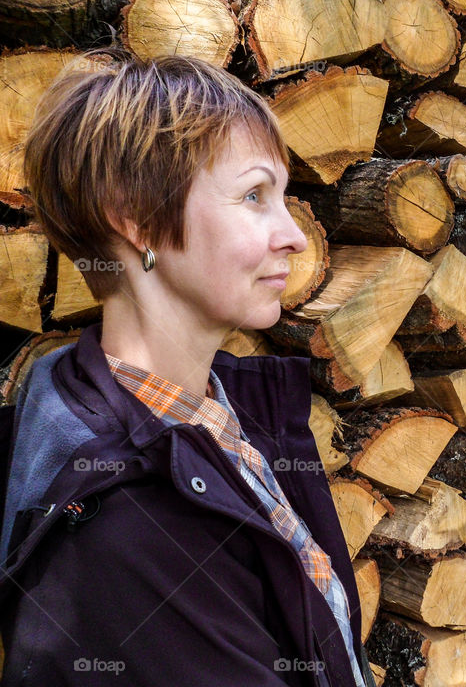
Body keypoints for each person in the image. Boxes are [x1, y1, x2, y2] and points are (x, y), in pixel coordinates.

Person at [0, 51, 376, 686]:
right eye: (254, 195)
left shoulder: (206, 409)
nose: (295, 236)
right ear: (139, 220)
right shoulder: (128, 533)